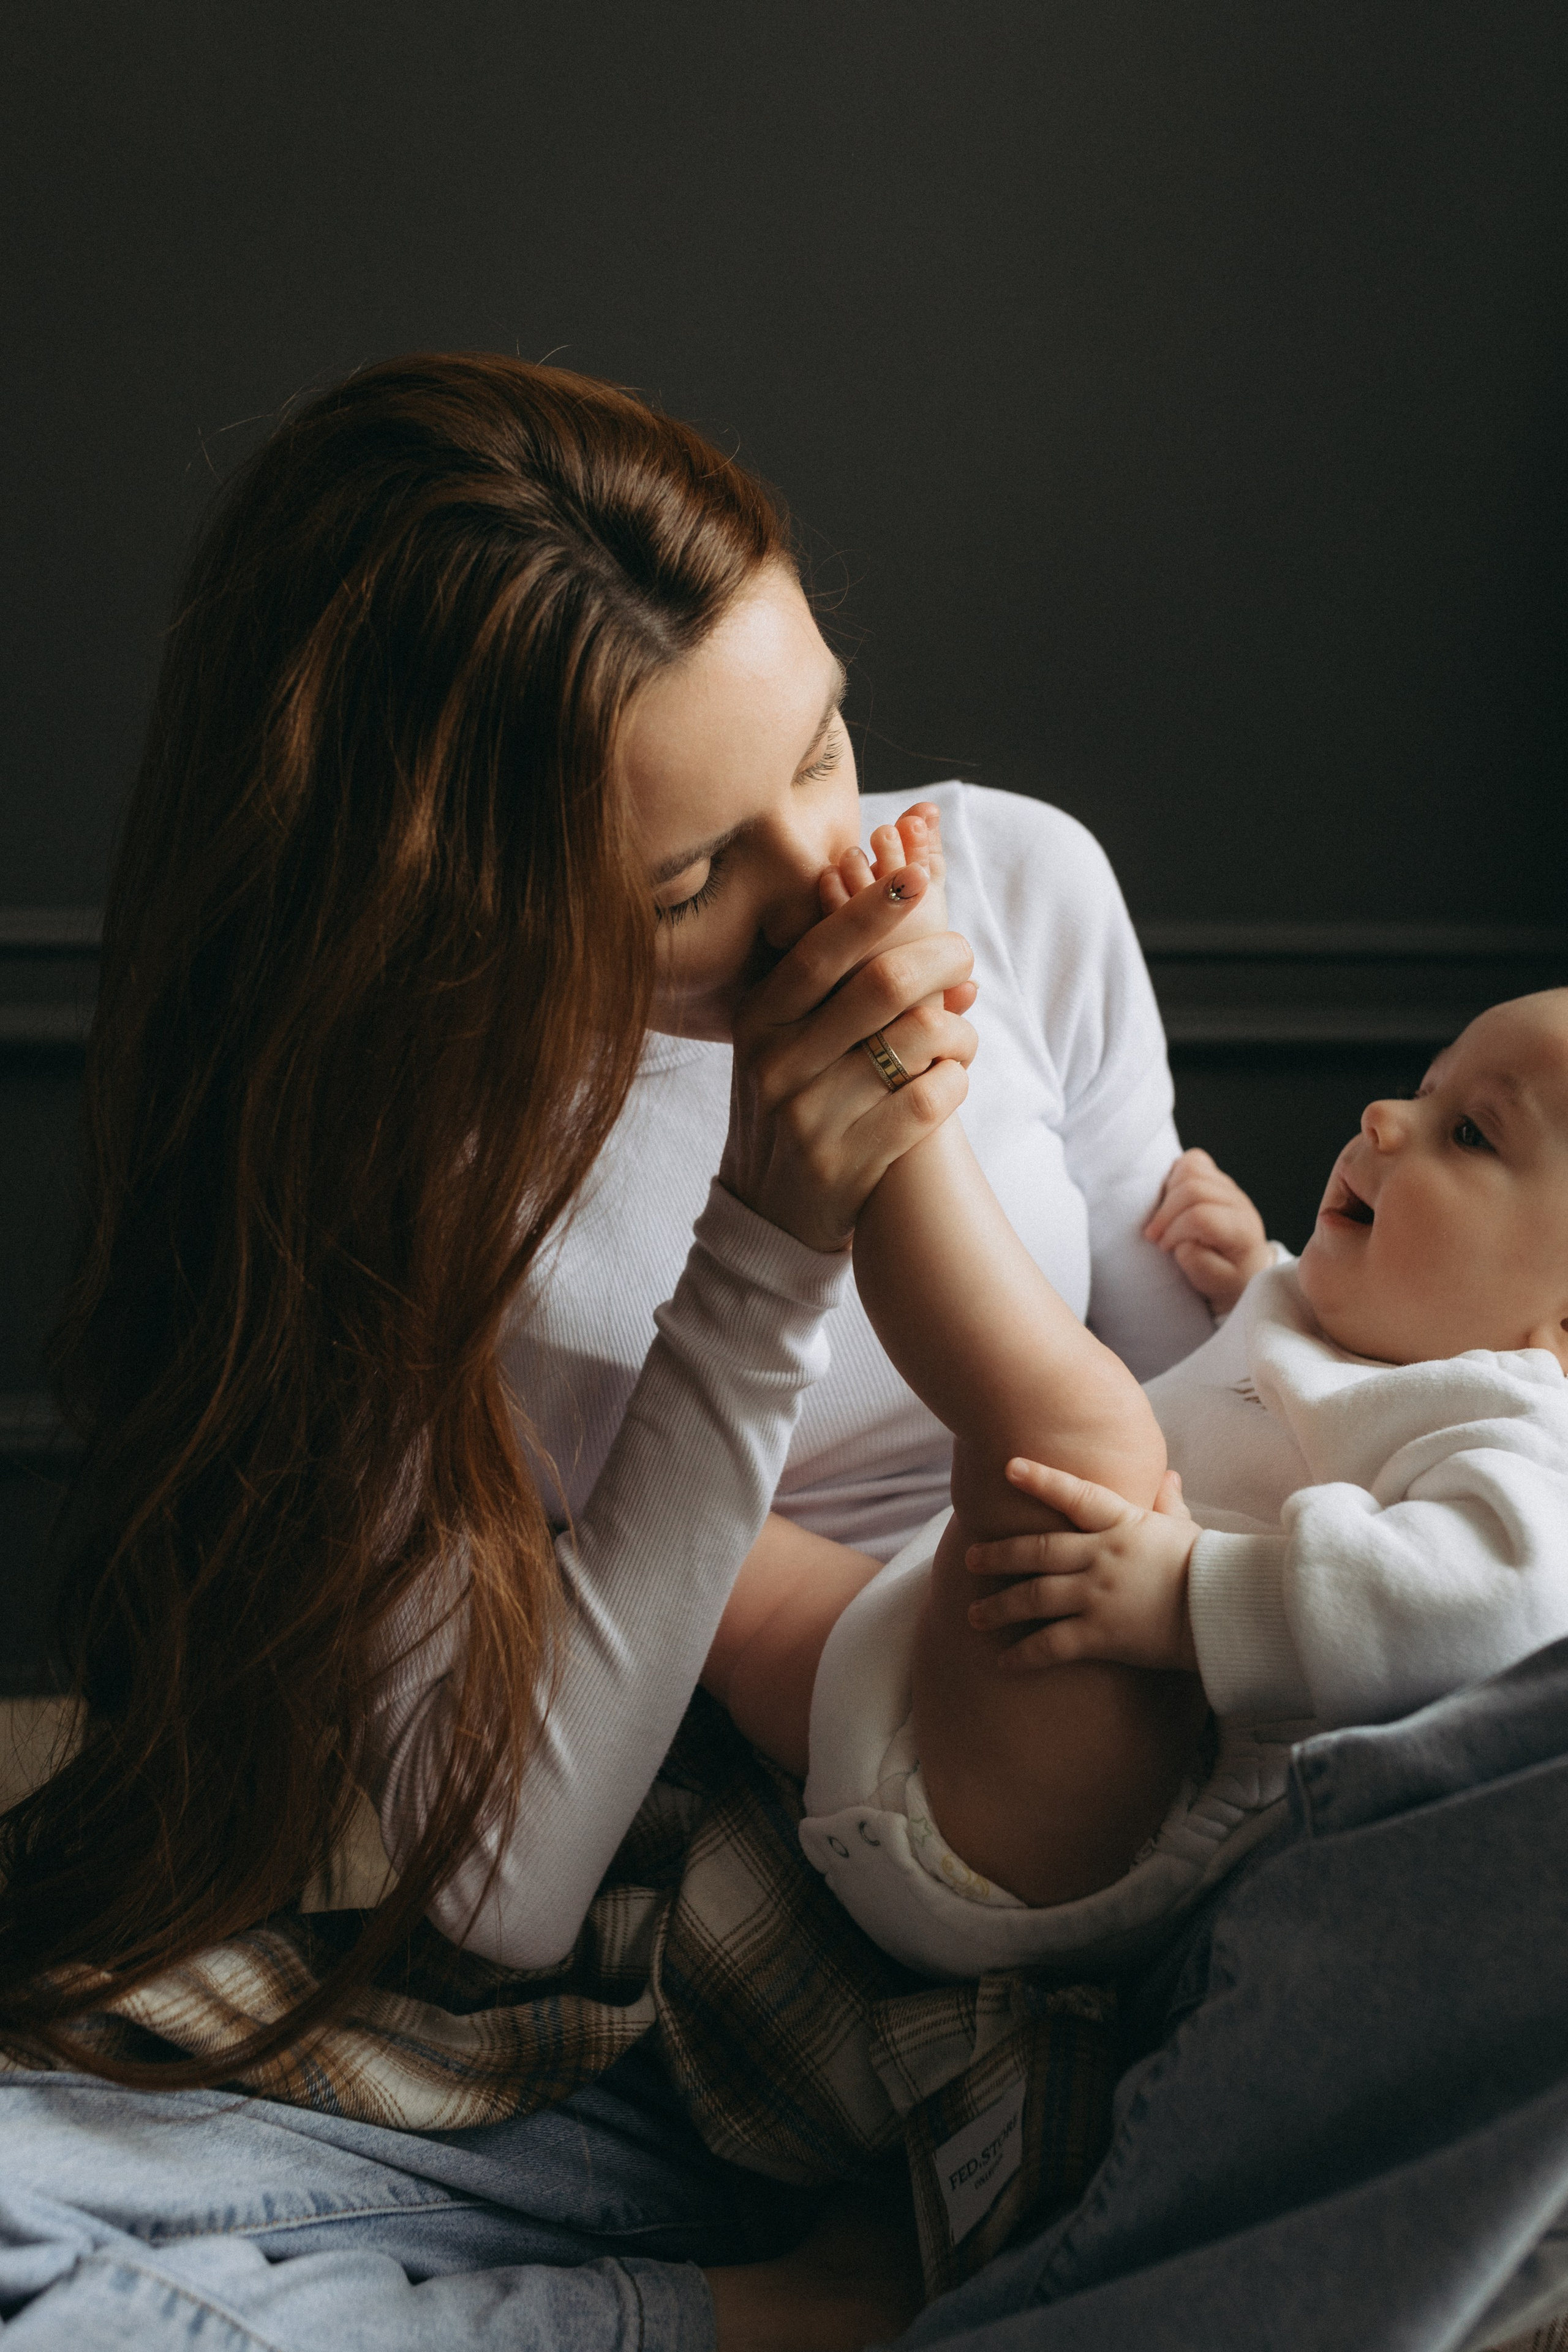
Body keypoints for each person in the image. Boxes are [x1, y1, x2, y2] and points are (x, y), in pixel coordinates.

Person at [0, 350, 1212, 2350]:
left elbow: (1204, 1434)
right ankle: (754, 2312)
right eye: (686, 882)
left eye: (823, 747)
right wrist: (761, 1249)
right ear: (449, 889)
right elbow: (503, 1892)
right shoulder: (398, 1166)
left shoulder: (1021, 881)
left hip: (1125, 1751)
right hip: (708, 1936)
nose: (833, 886)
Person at [711, 807, 1568, 1986]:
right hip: (903, 1699)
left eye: (1469, 1133)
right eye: (1425, 1085)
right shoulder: (1354, 1332)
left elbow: (1498, 1609)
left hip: (1102, 1814)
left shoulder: (1516, 1438)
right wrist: (1255, 1272)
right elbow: (1281, 1407)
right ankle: (567, 1529)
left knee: (1074, 1433)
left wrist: (1190, 1597)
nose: (1386, 1118)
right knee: (729, 1574)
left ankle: (892, 1082)